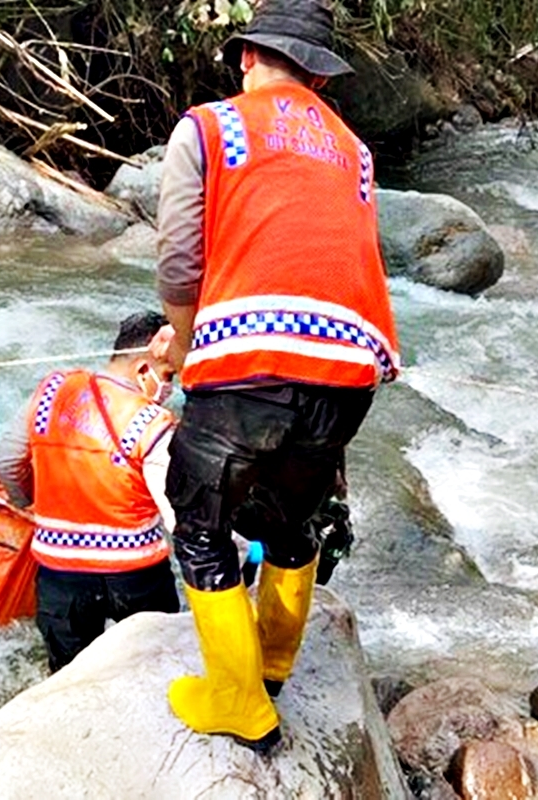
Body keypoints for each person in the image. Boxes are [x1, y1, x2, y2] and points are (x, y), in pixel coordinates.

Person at [154, 0, 400, 752]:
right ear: (319, 76)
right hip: (349, 365)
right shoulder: (352, 149)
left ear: (245, 58)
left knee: (200, 522)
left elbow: (177, 260)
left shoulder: (210, 126)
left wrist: (181, 346)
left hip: (247, 359)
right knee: (291, 521)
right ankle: (271, 668)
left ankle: (237, 702)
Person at [0, 312, 181, 673]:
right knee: (152, 670)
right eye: (169, 374)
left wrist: (32, 504)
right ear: (144, 369)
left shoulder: (51, 391)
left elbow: (6, 461)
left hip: (60, 573)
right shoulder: (153, 423)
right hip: (136, 573)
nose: (170, 387)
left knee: (69, 678)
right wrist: (239, 550)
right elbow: (179, 514)